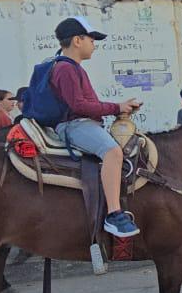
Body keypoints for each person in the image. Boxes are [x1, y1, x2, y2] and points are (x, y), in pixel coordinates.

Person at [47, 16, 142, 237]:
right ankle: (114, 215)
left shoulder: (69, 67)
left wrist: (118, 108)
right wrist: (117, 107)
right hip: (75, 125)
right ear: (77, 41)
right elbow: (78, 105)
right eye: (91, 39)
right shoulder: (66, 68)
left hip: (80, 123)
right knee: (112, 152)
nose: (94, 44)